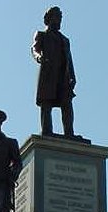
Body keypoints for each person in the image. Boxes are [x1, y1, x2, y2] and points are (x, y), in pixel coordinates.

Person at [32, 6, 76, 137]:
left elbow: (69, 59)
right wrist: (39, 57)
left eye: (60, 17)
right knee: (46, 103)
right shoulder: (42, 34)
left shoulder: (65, 40)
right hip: (48, 73)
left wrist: (73, 76)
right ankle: (47, 131)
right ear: (49, 18)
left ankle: (69, 133)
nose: (59, 20)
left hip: (63, 76)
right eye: (57, 17)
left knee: (67, 103)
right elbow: (34, 49)